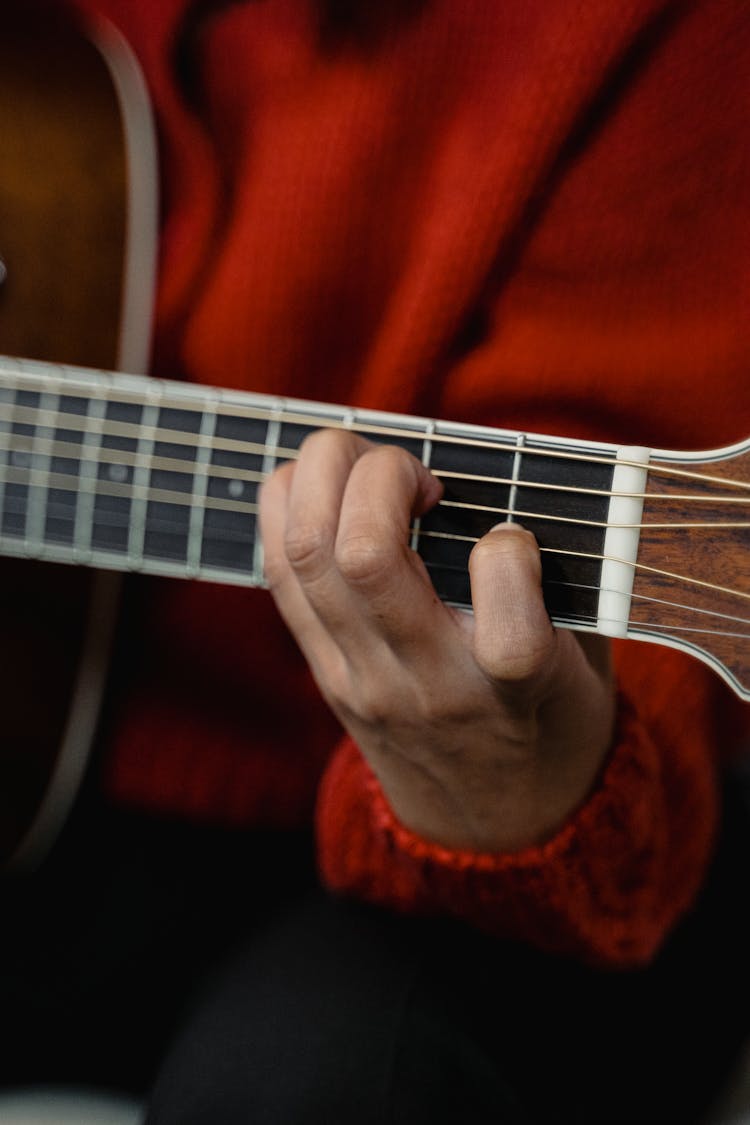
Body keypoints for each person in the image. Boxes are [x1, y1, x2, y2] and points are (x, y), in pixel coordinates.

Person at [2, 0, 749, 1122]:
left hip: (496, 852)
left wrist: (530, 784)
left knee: (323, 1080)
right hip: (40, 752)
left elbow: (652, 663)